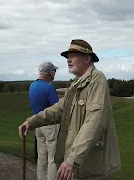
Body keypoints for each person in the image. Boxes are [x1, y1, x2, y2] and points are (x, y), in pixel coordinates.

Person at [19, 39, 121, 180]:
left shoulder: (97, 80)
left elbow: (94, 122)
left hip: (88, 164)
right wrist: (32, 121)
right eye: (68, 56)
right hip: (77, 162)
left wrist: (73, 159)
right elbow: (59, 109)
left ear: (87, 58)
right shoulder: (76, 84)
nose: (68, 59)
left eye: (73, 55)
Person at [29, 61, 60, 180]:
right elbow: (57, 107)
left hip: (38, 124)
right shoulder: (49, 87)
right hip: (50, 125)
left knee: (42, 156)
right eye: (54, 72)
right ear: (51, 72)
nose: (54, 74)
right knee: (53, 158)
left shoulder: (32, 85)